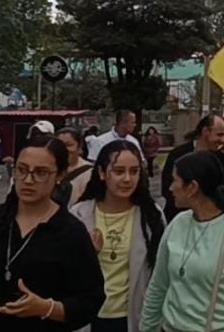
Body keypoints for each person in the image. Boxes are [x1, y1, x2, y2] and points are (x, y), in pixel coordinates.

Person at [0, 135, 106, 331]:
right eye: (22, 170)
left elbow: (90, 301)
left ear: (59, 176)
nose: (28, 180)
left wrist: (46, 308)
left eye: (41, 173)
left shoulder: (71, 232)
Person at [139, 151, 224, 332]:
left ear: (192, 187)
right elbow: (158, 286)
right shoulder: (178, 223)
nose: (170, 188)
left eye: (175, 180)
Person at [71, 140, 165, 332]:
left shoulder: (151, 216)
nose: (127, 179)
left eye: (134, 171)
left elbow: (159, 273)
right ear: (102, 173)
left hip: (132, 318)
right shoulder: (79, 214)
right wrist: (86, 254)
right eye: (119, 171)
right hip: (89, 317)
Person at [162, 114, 224, 221]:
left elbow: (222, 191)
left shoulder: (221, 160)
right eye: (219, 134)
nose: (223, 140)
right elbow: (166, 188)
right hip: (176, 217)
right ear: (205, 131)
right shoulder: (178, 154)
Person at [53, 128, 94, 207]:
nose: (64, 149)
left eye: (69, 145)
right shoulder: (49, 170)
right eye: (60, 145)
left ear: (79, 147)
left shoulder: (90, 172)